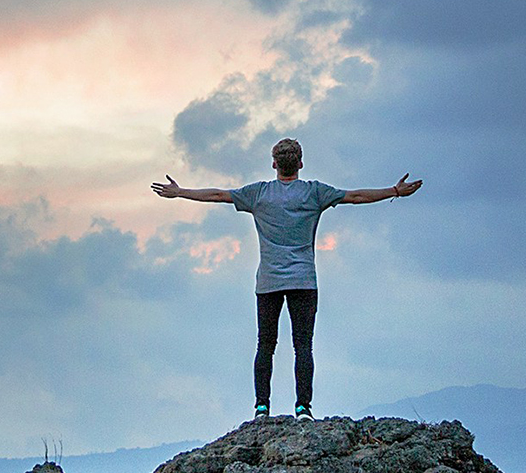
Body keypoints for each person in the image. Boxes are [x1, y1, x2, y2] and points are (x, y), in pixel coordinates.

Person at [150, 138, 422, 420]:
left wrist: (180, 192)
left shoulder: (258, 194)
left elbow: (218, 195)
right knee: (303, 345)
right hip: (303, 280)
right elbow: (356, 197)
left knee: (265, 345)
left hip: (269, 281)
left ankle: (261, 408)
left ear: (274, 164)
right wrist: (395, 191)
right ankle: (303, 408)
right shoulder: (315, 193)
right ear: (301, 164)